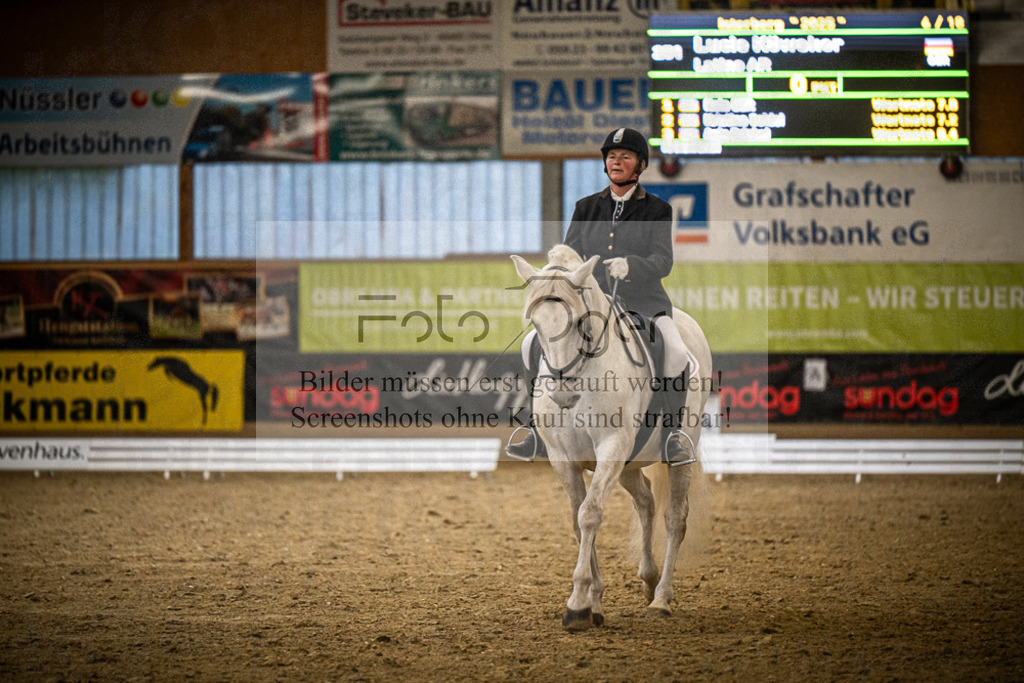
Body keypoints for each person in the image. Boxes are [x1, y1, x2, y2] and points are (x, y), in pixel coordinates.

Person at [507, 127, 693, 465]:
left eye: (624, 157)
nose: (616, 162)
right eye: (611, 157)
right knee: (530, 342)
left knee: (676, 352)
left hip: (644, 302)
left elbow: (663, 261)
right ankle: (534, 427)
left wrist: (631, 265)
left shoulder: (657, 209)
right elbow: (566, 256)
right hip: (589, 303)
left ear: (640, 164)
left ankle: (673, 435)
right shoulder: (586, 207)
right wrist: (552, 274)